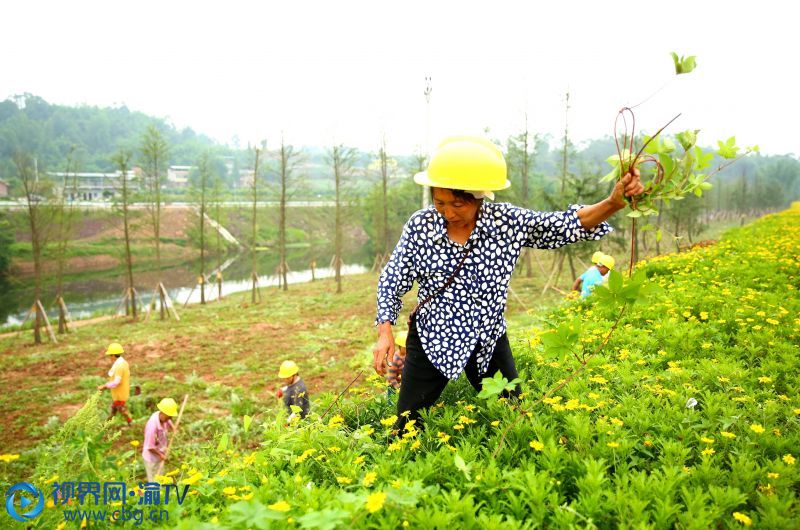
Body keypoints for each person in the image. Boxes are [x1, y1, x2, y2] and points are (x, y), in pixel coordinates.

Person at [373, 136, 643, 430]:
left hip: (487, 337)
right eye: (440, 202)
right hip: (433, 336)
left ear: (479, 197)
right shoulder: (421, 225)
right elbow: (393, 276)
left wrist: (613, 203)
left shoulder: (506, 223)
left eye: (458, 204)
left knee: (513, 417)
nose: (448, 212)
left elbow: (566, 225)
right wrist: (384, 331)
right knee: (407, 424)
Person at [141, 397, 178, 481]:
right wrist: (161, 455)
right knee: (154, 482)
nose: (170, 418)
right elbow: (149, 447)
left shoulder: (162, 416)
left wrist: (173, 427)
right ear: (163, 412)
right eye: (169, 416)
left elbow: (169, 421)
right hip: (152, 459)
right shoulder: (152, 426)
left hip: (160, 453)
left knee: (161, 478)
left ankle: (160, 491)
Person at [97, 342, 133, 426]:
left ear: (113, 355)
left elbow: (117, 382)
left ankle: (130, 422)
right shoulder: (123, 363)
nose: (109, 357)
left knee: (121, 409)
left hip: (120, 393)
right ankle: (106, 425)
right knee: (114, 409)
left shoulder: (119, 366)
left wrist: (105, 386)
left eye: (110, 355)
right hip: (120, 392)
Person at [386, 331, 408, 399]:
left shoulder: (407, 355)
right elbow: (391, 378)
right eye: (405, 348)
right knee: (392, 403)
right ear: (400, 347)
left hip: (403, 383)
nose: (408, 350)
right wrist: (399, 388)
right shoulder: (395, 360)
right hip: (394, 385)